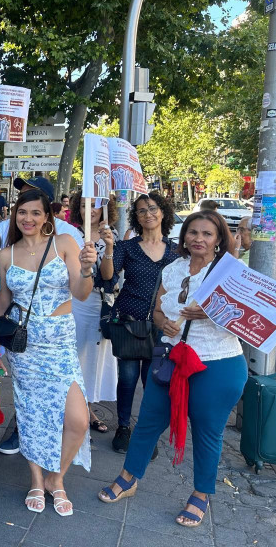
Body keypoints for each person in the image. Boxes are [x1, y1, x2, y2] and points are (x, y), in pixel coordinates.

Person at [98, 211, 246, 528]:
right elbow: (157, 308)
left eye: (207, 234)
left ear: (219, 237)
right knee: (148, 421)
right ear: (184, 235)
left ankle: (201, 494)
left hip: (217, 363)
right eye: (193, 232)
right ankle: (129, 477)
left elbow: (247, 319)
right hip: (172, 359)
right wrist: (161, 321)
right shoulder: (174, 268)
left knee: (207, 433)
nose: (198, 239)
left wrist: (211, 313)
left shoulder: (231, 271)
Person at [0, 189, 97, 515]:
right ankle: (37, 479)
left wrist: (89, 268)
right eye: (22, 212)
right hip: (25, 349)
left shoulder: (64, 244)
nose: (28, 219)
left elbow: (80, 293)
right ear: (14, 215)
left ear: (47, 216)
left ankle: (57, 477)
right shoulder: (6, 255)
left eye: (36, 213)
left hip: (61, 343)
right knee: (32, 416)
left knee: (78, 420)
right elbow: (2, 304)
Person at [98, 191, 179, 454]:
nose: (148, 214)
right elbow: (108, 280)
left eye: (153, 208)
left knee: (153, 381)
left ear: (163, 212)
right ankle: (123, 427)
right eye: (142, 210)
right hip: (130, 324)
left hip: (162, 326)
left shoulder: (177, 252)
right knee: (128, 378)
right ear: (137, 217)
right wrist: (109, 248)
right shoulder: (127, 247)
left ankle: (146, 432)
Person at [68, 192, 119, 432]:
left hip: (102, 303)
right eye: (84, 205)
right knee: (77, 356)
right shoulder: (69, 235)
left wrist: (108, 246)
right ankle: (77, 415)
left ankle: (87, 410)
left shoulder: (112, 235)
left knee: (94, 360)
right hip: (78, 301)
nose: (89, 210)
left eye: (95, 206)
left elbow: (109, 275)